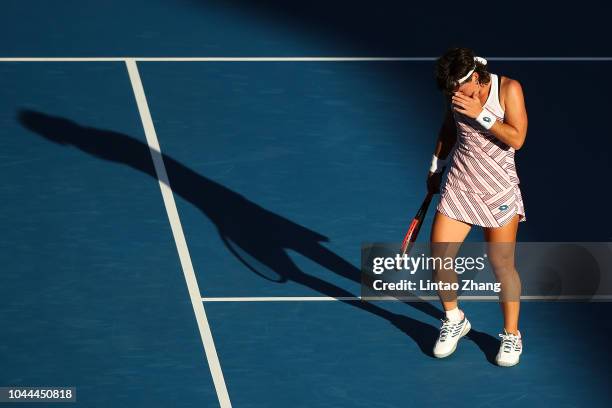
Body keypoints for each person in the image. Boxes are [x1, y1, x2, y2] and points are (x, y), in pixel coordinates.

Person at [427, 47, 528, 366]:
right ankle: (454, 318)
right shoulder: (455, 92)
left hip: (498, 189)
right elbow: (448, 129)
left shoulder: (509, 89)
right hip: (461, 184)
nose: (455, 96)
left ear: (474, 78)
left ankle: (512, 334)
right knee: (439, 256)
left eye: (458, 89)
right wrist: (436, 166)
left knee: (501, 266)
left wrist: (480, 113)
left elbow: (518, 138)